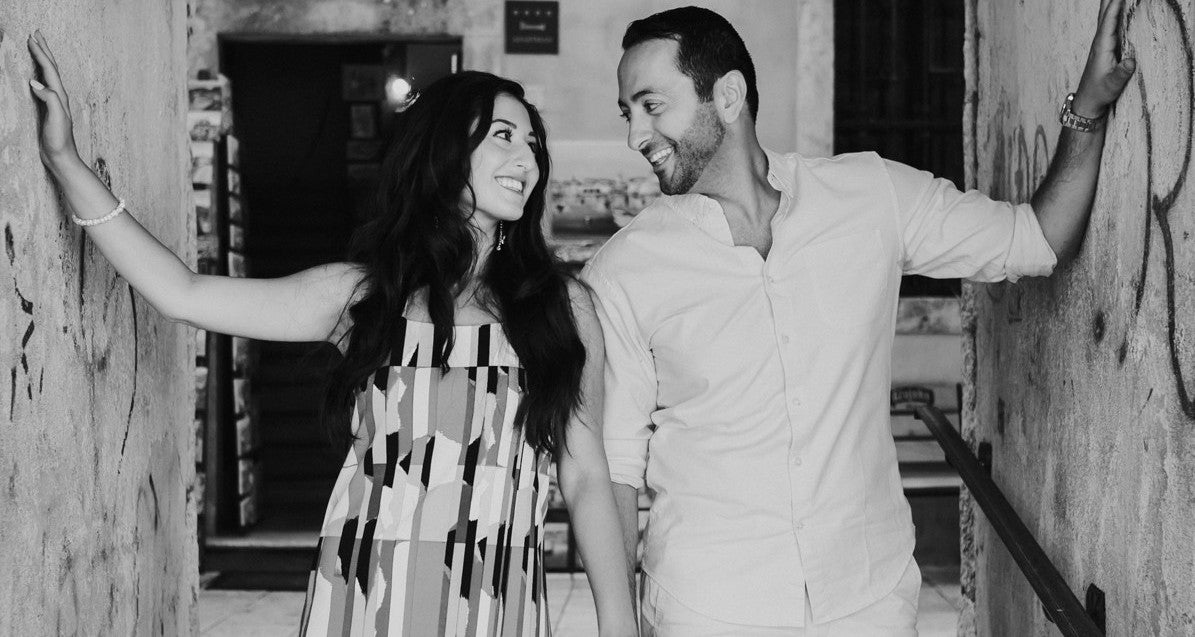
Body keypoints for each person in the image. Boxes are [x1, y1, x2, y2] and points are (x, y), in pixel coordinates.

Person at [26, 32, 637, 637]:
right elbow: (183, 294)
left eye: (533, 143)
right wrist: (66, 162)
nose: (527, 160)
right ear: (445, 152)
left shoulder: (560, 309)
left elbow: (584, 476)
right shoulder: (363, 296)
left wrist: (618, 624)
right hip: (365, 603)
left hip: (495, 605)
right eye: (503, 136)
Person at [583, 4, 1136, 635]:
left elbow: (1035, 239)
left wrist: (1086, 111)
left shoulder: (870, 196)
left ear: (728, 95)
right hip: (708, 607)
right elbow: (615, 468)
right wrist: (616, 624)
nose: (635, 135)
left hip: (867, 600)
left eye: (651, 106)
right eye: (627, 113)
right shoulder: (623, 271)